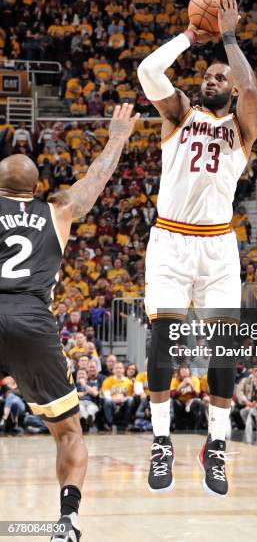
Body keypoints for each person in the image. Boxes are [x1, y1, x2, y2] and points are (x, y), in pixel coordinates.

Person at [138, 0, 257, 496]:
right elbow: (150, 72)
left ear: (230, 90)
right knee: (163, 344)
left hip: (217, 247)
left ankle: (216, 447)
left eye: (219, 78)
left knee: (223, 352)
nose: (209, 80)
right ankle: (162, 441)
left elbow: (253, 92)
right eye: (206, 76)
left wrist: (230, 38)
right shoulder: (179, 115)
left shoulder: (244, 128)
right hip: (170, 240)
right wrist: (191, 35)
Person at [0, 103, 137, 542]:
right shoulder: (58, 208)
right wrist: (117, 136)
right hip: (32, 319)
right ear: (38, 187)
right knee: (67, 431)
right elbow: (95, 180)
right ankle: (66, 523)